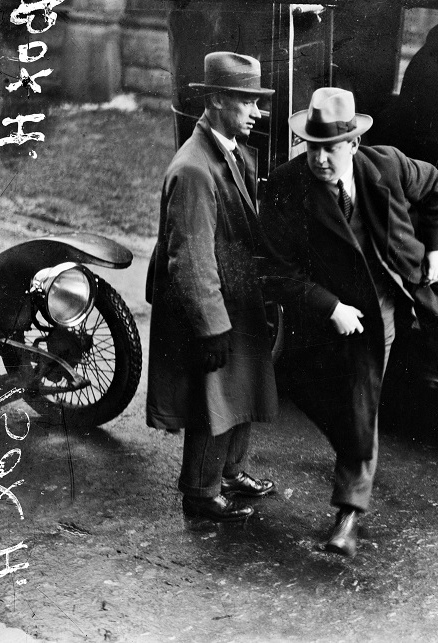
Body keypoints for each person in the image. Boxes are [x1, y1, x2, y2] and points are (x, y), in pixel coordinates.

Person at [260, 87, 438, 557]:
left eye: (331, 148)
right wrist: (329, 308)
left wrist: (436, 247)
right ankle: (355, 445)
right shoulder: (286, 186)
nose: (320, 159)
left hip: (384, 300)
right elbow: (276, 269)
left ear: (354, 145)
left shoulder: (388, 167)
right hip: (325, 308)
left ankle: (348, 518)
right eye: (312, 146)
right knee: (295, 379)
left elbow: (435, 184)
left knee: (363, 397)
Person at [146, 52, 279, 523]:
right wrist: (212, 326)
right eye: (248, 102)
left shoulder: (230, 150)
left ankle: (230, 472)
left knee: (240, 384)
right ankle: (200, 493)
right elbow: (190, 258)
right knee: (214, 397)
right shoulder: (195, 169)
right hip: (210, 304)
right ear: (219, 100)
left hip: (233, 295)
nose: (257, 112)